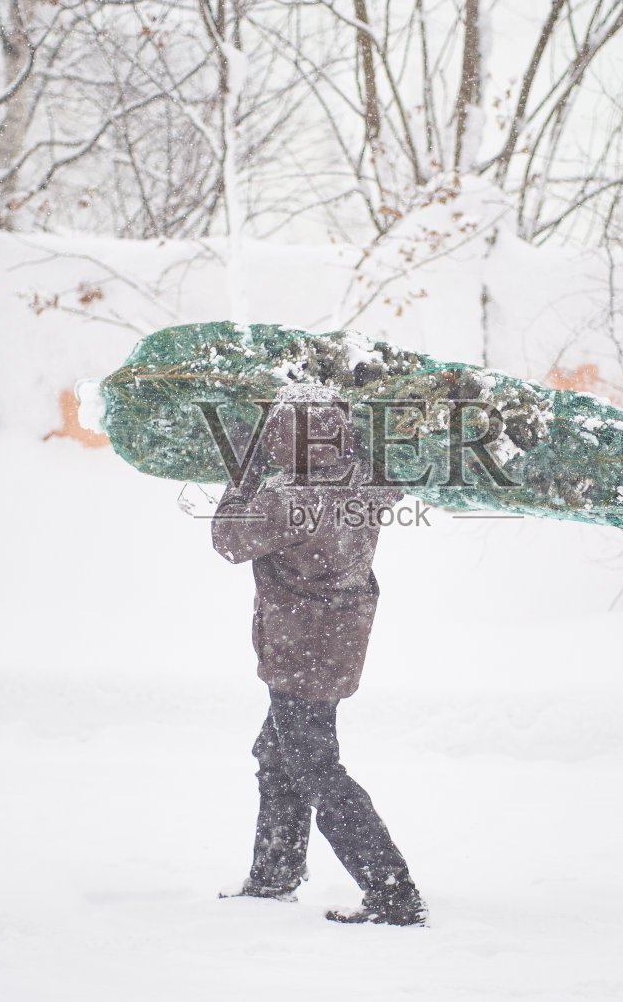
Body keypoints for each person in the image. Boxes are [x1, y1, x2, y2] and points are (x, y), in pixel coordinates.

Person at [210, 384, 427, 927]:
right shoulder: (364, 477)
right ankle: (275, 875)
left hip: (299, 648)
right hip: (337, 644)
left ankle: (393, 893)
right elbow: (388, 481)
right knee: (277, 752)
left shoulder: (290, 496)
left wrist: (242, 471)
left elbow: (227, 540)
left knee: (317, 771)